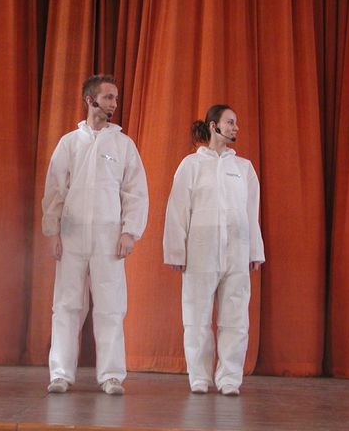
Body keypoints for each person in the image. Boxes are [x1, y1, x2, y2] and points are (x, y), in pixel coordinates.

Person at [42, 74, 149, 395]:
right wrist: (53, 232)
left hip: (108, 237)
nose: (114, 104)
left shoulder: (123, 145)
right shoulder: (69, 143)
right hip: (72, 236)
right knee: (66, 305)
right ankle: (60, 374)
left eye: (115, 98)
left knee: (110, 306)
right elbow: (55, 191)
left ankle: (111, 375)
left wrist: (130, 232)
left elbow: (135, 192)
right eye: (108, 97)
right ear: (90, 100)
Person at [163, 104, 265, 396]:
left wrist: (254, 250)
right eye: (230, 122)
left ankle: (230, 377)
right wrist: (176, 250)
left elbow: (251, 212)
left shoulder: (243, 168)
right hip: (200, 251)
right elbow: (177, 209)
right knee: (196, 316)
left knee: (236, 317)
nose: (235, 128)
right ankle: (199, 376)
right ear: (213, 126)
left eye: (236, 123)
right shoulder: (191, 165)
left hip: (236, 250)